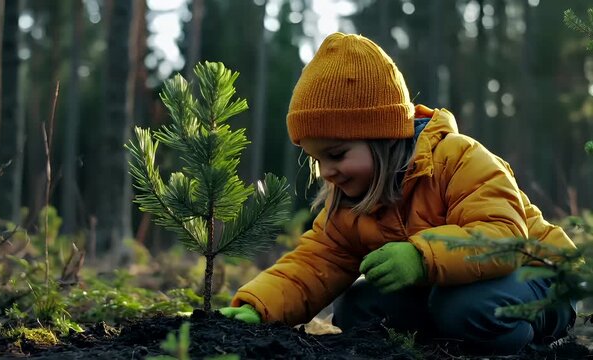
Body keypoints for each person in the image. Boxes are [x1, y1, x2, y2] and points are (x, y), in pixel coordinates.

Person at [219, 32, 577, 355]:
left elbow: (504, 236)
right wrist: (257, 307)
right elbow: (313, 264)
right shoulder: (351, 202)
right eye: (316, 160)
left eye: (337, 155)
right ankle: (445, 341)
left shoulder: (458, 158)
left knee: (468, 309)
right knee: (358, 308)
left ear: (383, 136)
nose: (327, 172)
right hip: (447, 286)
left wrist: (420, 258)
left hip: (538, 273)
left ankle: (541, 337)